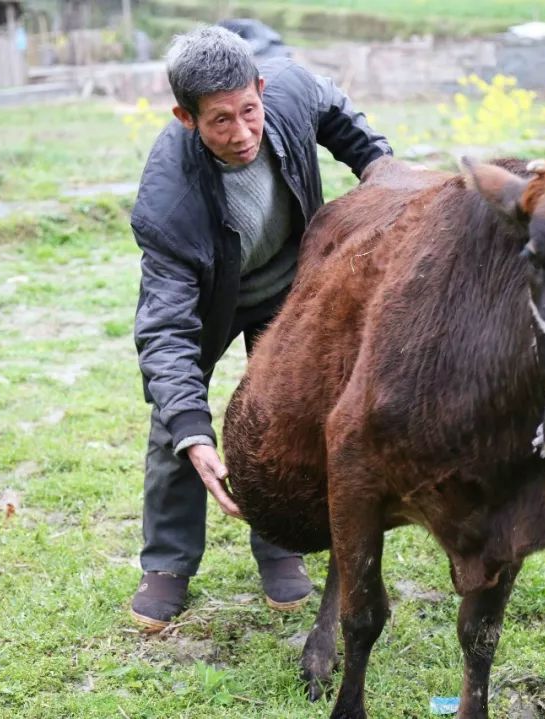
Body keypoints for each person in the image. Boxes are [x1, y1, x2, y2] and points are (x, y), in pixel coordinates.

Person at [129, 26, 393, 632]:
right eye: (220, 121)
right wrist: (195, 436)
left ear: (262, 91)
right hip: (211, 300)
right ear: (186, 118)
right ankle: (167, 565)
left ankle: (279, 545)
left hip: (287, 286)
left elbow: (338, 113)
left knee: (287, 412)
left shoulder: (291, 91)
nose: (243, 133)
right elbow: (166, 332)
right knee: (179, 420)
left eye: (250, 111)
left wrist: (378, 166)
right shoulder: (168, 203)